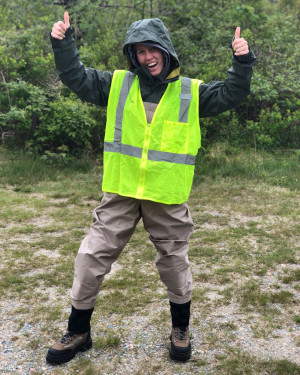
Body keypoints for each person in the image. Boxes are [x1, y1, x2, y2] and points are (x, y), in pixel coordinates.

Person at [46, 12, 255, 364]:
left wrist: (242, 61)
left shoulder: (191, 91)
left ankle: (181, 329)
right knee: (88, 260)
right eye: (140, 51)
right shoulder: (116, 84)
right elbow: (74, 77)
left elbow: (233, 92)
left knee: (174, 265)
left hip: (166, 197)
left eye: (152, 49)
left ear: (166, 51)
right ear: (133, 56)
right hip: (121, 192)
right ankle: (78, 331)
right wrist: (63, 44)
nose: (147, 57)